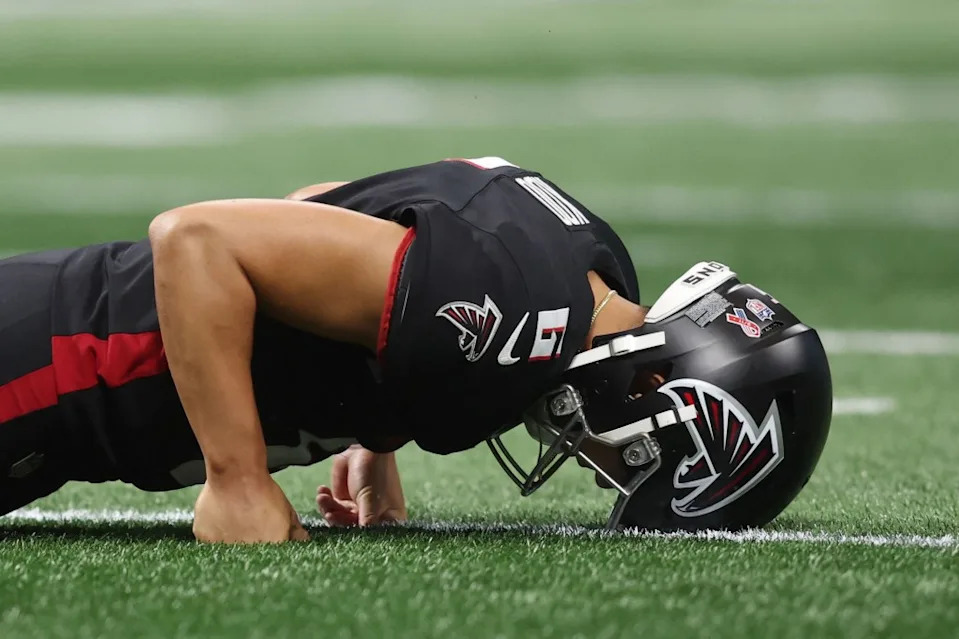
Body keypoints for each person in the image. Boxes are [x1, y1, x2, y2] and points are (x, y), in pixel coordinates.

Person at [0, 157, 832, 543]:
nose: (605, 467)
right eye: (642, 456)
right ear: (662, 385)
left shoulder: (582, 262)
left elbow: (318, 206)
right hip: (48, 367)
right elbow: (197, 239)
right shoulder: (518, 311)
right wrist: (239, 481)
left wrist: (377, 426)